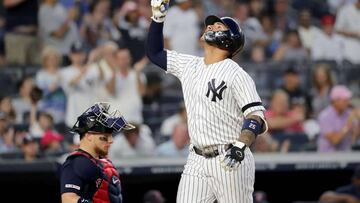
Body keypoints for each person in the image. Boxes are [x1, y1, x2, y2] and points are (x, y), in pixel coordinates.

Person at [146, 1, 268, 202]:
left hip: (229, 156)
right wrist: (158, 18)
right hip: (196, 158)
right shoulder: (190, 64)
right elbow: (155, 53)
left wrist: (240, 146)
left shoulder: (236, 73)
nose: (210, 26)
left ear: (230, 40)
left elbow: (256, 116)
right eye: (210, 24)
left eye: (218, 26)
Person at [60, 102, 134, 203]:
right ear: (89, 136)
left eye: (110, 135)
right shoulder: (76, 162)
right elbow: (68, 199)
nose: (111, 140)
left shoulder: (104, 162)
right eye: (105, 137)